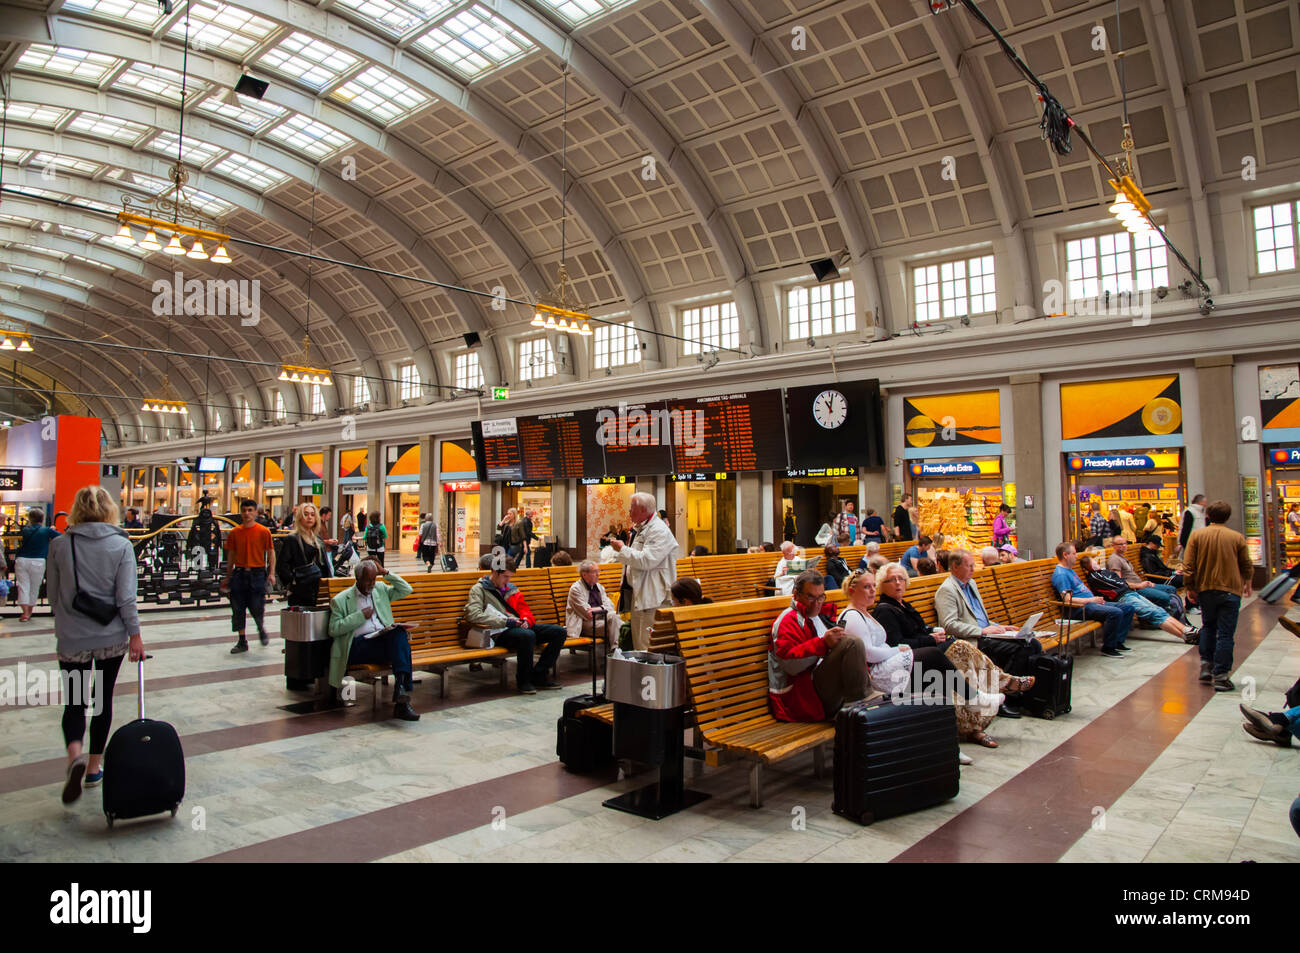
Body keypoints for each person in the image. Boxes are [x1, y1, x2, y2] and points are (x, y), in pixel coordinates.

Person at [46, 486, 145, 804]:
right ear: (109, 509)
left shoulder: (60, 544)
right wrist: (135, 635)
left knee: (74, 701)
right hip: (110, 637)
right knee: (101, 700)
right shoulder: (121, 545)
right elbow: (126, 597)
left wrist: (64, 626)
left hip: (73, 637)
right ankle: (92, 768)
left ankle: (74, 754)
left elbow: (52, 594)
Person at [837, 569, 1002, 751]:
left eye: (873, 586)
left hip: (886, 664)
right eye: (866, 587)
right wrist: (897, 650)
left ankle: (947, 742)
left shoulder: (864, 612)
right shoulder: (852, 616)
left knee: (938, 677)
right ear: (852, 591)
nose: (872, 591)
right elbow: (868, 654)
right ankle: (975, 698)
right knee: (934, 655)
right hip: (876, 675)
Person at [875, 562, 1030, 744]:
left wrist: (934, 631)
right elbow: (897, 645)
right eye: (891, 580)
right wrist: (931, 639)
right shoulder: (885, 610)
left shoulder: (903, 605)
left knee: (964, 666)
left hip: (931, 654)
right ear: (882, 585)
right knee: (961, 650)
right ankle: (1002, 685)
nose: (898, 583)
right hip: (912, 665)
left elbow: (920, 630)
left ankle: (976, 724)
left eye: (901, 578)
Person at [768, 570, 869, 722]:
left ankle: (863, 704)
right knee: (851, 643)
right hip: (801, 696)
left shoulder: (820, 615)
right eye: (810, 597)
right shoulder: (788, 621)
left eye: (821, 597)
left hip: (821, 687)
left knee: (917, 656)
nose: (817, 603)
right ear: (796, 595)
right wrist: (822, 644)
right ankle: (864, 705)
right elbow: (790, 666)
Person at [326, 560, 419, 720]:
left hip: (380, 641)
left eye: (375, 579)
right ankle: (402, 698)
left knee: (398, 633)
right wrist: (360, 616)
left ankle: (401, 692)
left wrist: (386, 573)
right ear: (358, 578)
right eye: (368, 580)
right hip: (358, 647)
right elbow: (334, 629)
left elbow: (406, 589)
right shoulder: (341, 600)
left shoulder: (380, 589)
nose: (372, 584)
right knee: (402, 647)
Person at [464, 557, 566, 694]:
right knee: (527, 636)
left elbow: (524, 609)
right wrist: (506, 622)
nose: (508, 581)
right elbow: (474, 615)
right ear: (494, 572)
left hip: (517, 627)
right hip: (498, 631)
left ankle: (539, 674)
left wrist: (526, 620)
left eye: (510, 577)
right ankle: (524, 680)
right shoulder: (479, 589)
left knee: (559, 632)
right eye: (505, 576)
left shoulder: (511, 589)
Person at [1181, 500, 1252, 692]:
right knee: (1226, 633)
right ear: (1227, 517)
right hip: (1230, 590)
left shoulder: (1197, 536)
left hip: (1206, 589)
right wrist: (1248, 582)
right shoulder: (1236, 537)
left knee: (1209, 626)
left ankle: (1206, 664)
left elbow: (1188, 565)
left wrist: (1190, 587)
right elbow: (1246, 563)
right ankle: (1221, 675)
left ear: (1208, 516)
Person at [1078, 552, 1199, 645]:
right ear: (1090, 565)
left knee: (1158, 610)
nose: (1097, 562)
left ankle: (1185, 630)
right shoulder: (1095, 576)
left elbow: (1120, 582)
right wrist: (1131, 585)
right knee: (1154, 613)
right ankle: (1185, 634)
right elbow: (1119, 583)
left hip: (1130, 593)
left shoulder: (1103, 573)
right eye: (1094, 561)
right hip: (1123, 598)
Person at [610, 493, 678, 651]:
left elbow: (646, 560)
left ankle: (649, 674)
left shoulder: (658, 530)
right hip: (640, 593)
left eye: (632, 507)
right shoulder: (641, 528)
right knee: (638, 641)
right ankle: (641, 673)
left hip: (654, 595)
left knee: (647, 643)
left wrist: (622, 549)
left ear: (643, 510)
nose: (629, 511)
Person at [1050, 542, 1134, 658]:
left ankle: (1117, 642)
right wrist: (1091, 600)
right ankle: (1108, 648)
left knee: (1128, 608)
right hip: (1079, 609)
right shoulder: (1061, 575)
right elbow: (1067, 600)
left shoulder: (1069, 570)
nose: (1077, 556)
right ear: (1065, 555)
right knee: (1116, 613)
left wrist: (1094, 599)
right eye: (1074, 554)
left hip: (1090, 604)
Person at [220, 499, 276, 654]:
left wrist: (271, 573)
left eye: (250, 510)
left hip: (257, 574)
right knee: (237, 608)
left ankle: (260, 627)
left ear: (256, 512)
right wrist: (228, 576)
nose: (246, 514)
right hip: (239, 574)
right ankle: (242, 640)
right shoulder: (235, 533)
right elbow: (231, 555)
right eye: (244, 510)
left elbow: (271, 552)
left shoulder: (263, 531)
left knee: (257, 606)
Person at [1108, 537, 1181, 613]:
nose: (1124, 546)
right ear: (1113, 545)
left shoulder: (1122, 557)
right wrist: (1140, 585)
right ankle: (1160, 616)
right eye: (1120, 544)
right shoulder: (1114, 560)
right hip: (1134, 589)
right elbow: (1119, 583)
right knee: (1165, 597)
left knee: (1171, 589)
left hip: (1141, 584)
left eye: (1125, 543)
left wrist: (1146, 583)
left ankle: (1171, 612)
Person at [15, 508, 61, 622]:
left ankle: (25, 612)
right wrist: (52, 529)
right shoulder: (46, 531)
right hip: (38, 561)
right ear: (42, 518)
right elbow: (61, 536)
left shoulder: (26, 530)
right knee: (34, 586)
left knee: (23, 586)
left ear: (30, 519)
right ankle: (29, 612)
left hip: (22, 560)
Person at [565, 559, 618, 647]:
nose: (598, 574)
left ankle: (615, 650)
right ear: (584, 574)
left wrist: (599, 609)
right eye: (595, 572)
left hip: (600, 619)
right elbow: (588, 614)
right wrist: (603, 609)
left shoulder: (599, 587)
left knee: (615, 617)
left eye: (598, 571)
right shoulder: (576, 589)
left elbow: (610, 606)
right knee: (617, 626)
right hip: (583, 624)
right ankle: (616, 651)